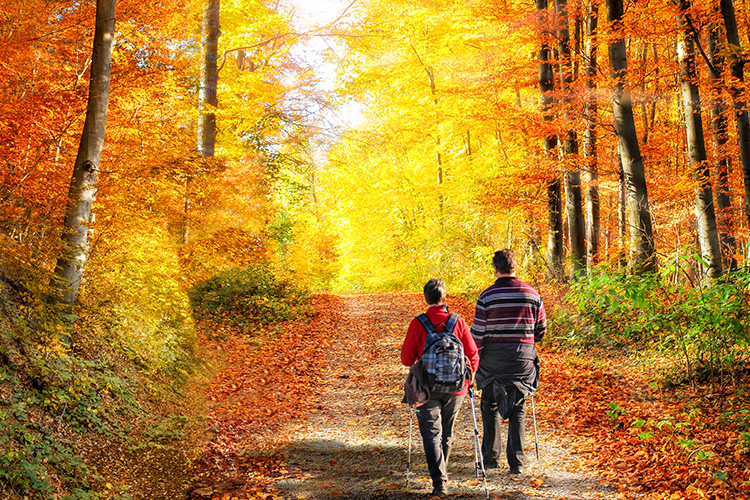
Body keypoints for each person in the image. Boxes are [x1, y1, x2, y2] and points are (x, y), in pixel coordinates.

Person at [401, 277, 480, 497]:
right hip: (457, 388)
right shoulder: (458, 322)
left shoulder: (418, 323)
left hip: (427, 388)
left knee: (431, 434)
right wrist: (470, 378)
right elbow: (473, 353)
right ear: (445, 297)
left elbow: (406, 359)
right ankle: (442, 474)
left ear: (426, 298)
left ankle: (440, 483)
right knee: (446, 433)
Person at [471, 249, 545, 475]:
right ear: (515, 267)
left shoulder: (487, 297)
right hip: (522, 360)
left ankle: (491, 459)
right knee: (518, 407)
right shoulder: (533, 295)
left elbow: (477, 336)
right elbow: (540, 332)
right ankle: (517, 463)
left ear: (495, 269)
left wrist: (478, 362)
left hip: (493, 361)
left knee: (490, 404)